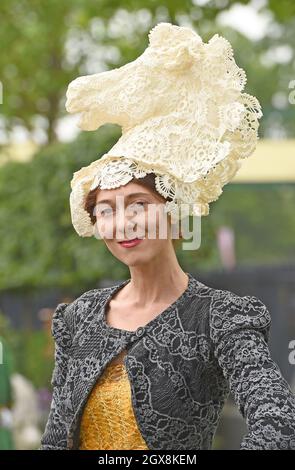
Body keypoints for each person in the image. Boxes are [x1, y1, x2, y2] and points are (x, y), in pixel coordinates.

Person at [40, 22, 295, 450]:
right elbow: (55, 439)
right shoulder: (77, 318)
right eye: (107, 211)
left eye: (138, 205)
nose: (123, 223)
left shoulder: (223, 317)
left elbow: (278, 420)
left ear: (175, 214)